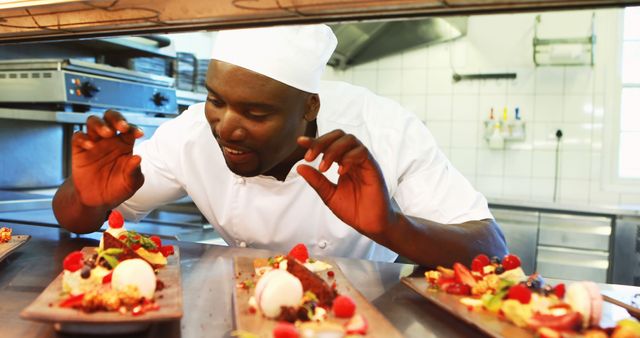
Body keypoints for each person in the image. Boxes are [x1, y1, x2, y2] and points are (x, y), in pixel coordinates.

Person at [52, 24, 507, 267]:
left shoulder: (383, 129)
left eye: (256, 113)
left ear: (309, 106)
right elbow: (75, 218)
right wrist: (85, 195)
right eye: (216, 100)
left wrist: (391, 227)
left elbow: (491, 246)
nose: (226, 127)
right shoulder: (192, 132)